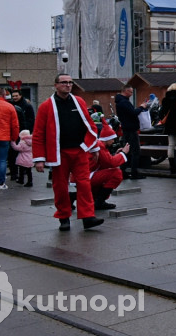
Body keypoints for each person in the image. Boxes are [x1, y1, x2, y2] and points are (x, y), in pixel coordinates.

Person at [32, 74, 104, 231]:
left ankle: (88, 217)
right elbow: (38, 133)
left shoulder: (79, 101)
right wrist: (39, 159)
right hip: (59, 153)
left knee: (84, 184)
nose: (68, 85)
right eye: (64, 82)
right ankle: (63, 217)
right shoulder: (46, 106)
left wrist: (94, 147)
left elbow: (89, 125)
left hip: (80, 150)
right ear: (56, 85)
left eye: (70, 82)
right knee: (60, 186)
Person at [115, 84, 150, 179]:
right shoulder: (124, 102)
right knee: (135, 151)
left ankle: (123, 171)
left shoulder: (120, 101)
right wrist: (141, 107)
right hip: (131, 129)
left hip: (126, 129)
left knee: (127, 150)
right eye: (130, 92)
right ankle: (134, 173)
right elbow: (133, 113)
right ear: (125, 91)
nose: (131, 94)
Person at [9, 91, 36, 182]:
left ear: (21, 95)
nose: (14, 97)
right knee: (12, 154)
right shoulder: (11, 105)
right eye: (13, 96)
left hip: (23, 133)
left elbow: (31, 120)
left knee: (23, 153)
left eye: (16, 96)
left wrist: (26, 132)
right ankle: (14, 172)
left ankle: (23, 171)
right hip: (14, 132)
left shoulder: (27, 106)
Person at [158, 83, 176, 175]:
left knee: (171, 145)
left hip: (169, 125)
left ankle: (172, 167)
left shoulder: (165, 100)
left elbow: (161, 113)